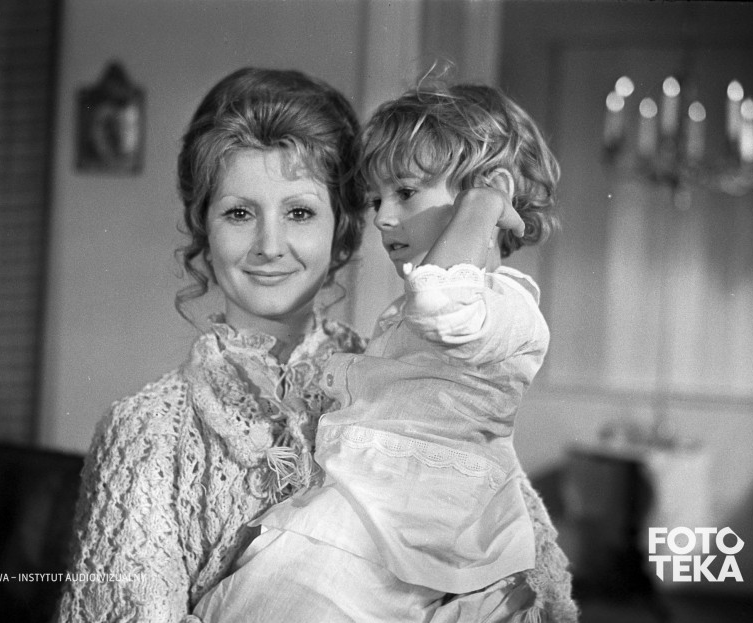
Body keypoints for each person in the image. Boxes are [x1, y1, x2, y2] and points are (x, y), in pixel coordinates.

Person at [193, 81, 579, 622]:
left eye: (406, 193)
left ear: (487, 195)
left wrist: (483, 204)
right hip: (373, 518)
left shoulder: (503, 305)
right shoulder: (416, 311)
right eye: (376, 200)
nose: (380, 217)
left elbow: (441, 302)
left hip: (397, 533)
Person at [55, 67, 368, 622]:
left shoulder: (407, 389)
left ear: (340, 226)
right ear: (204, 225)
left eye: (299, 212)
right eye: (239, 213)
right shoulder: (147, 433)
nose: (270, 245)